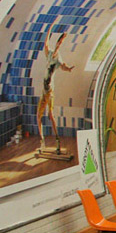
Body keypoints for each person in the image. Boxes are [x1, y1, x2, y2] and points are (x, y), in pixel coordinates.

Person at [37, 21, 75, 150]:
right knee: (39, 116)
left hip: (50, 91)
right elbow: (46, 43)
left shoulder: (58, 60)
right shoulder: (49, 55)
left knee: (50, 115)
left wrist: (69, 68)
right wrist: (50, 28)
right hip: (44, 91)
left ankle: (57, 138)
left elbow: (64, 66)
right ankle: (42, 139)